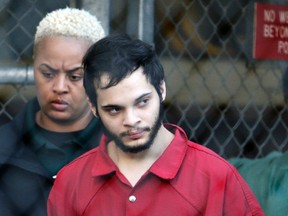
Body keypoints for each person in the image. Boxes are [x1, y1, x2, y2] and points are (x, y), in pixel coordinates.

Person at [47, 33, 264, 215]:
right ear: (93, 107)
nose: (131, 120)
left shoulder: (216, 177)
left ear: (161, 90)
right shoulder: (71, 183)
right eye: (114, 109)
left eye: (142, 102)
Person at [0, 8, 105, 215]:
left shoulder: (121, 150)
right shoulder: (4, 146)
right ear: (34, 66)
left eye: (75, 76)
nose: (59, 87)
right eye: (47, 73)